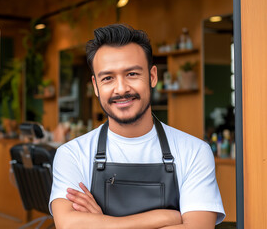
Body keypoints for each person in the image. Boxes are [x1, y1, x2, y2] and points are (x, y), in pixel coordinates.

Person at [49, 24, 225, 228]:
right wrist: (166, 217)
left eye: (132, 74)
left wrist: (102, 223)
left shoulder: (194, 152)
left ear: (152, 77)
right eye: (107, 78)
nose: (121, 89)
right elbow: (69, 225)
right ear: (96, 86)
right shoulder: (72, 154)